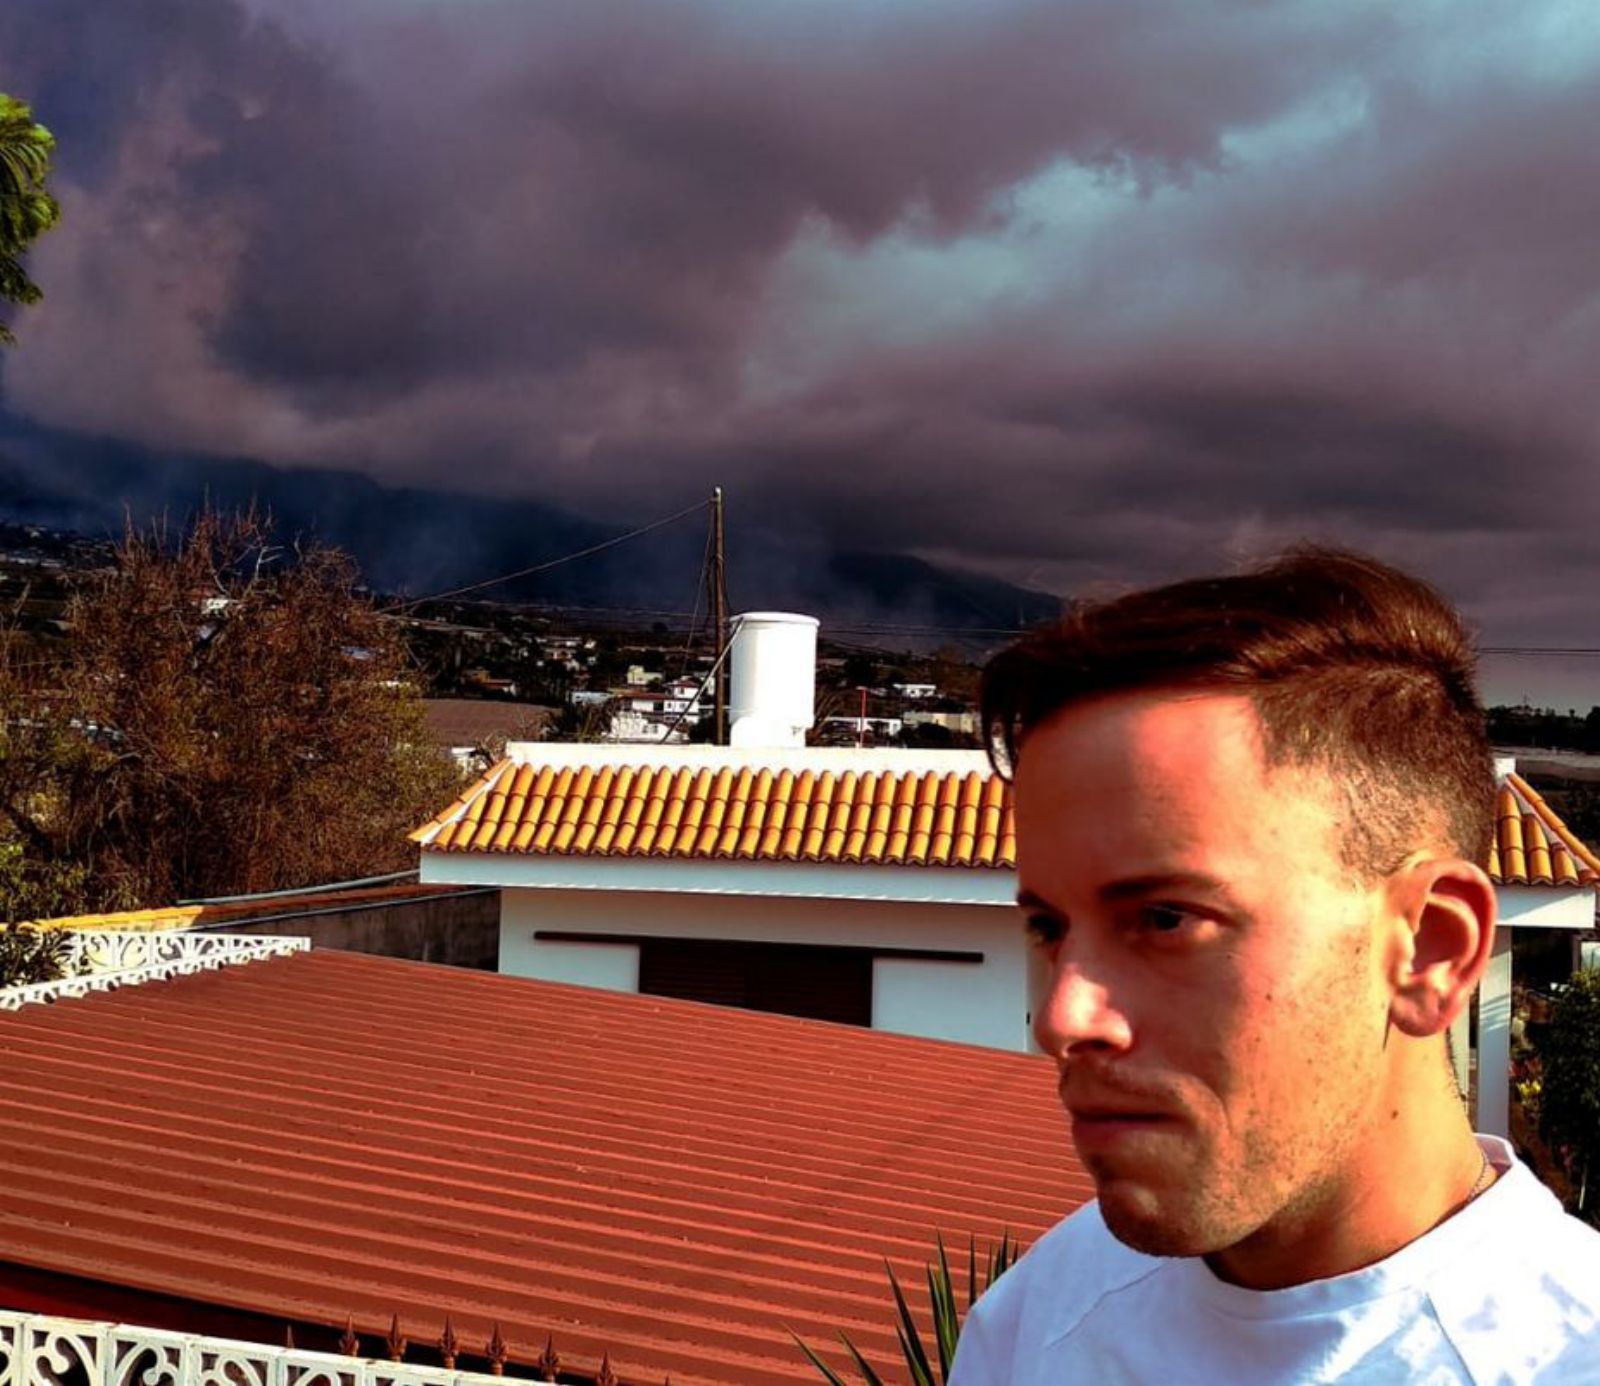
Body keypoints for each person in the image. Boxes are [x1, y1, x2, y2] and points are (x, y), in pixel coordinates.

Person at [950, 549, 1600, 1384]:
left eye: (1164, 918)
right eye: (1048, 926)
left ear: (1431, 949)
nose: (1061, 1018)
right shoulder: (1035, 1318)